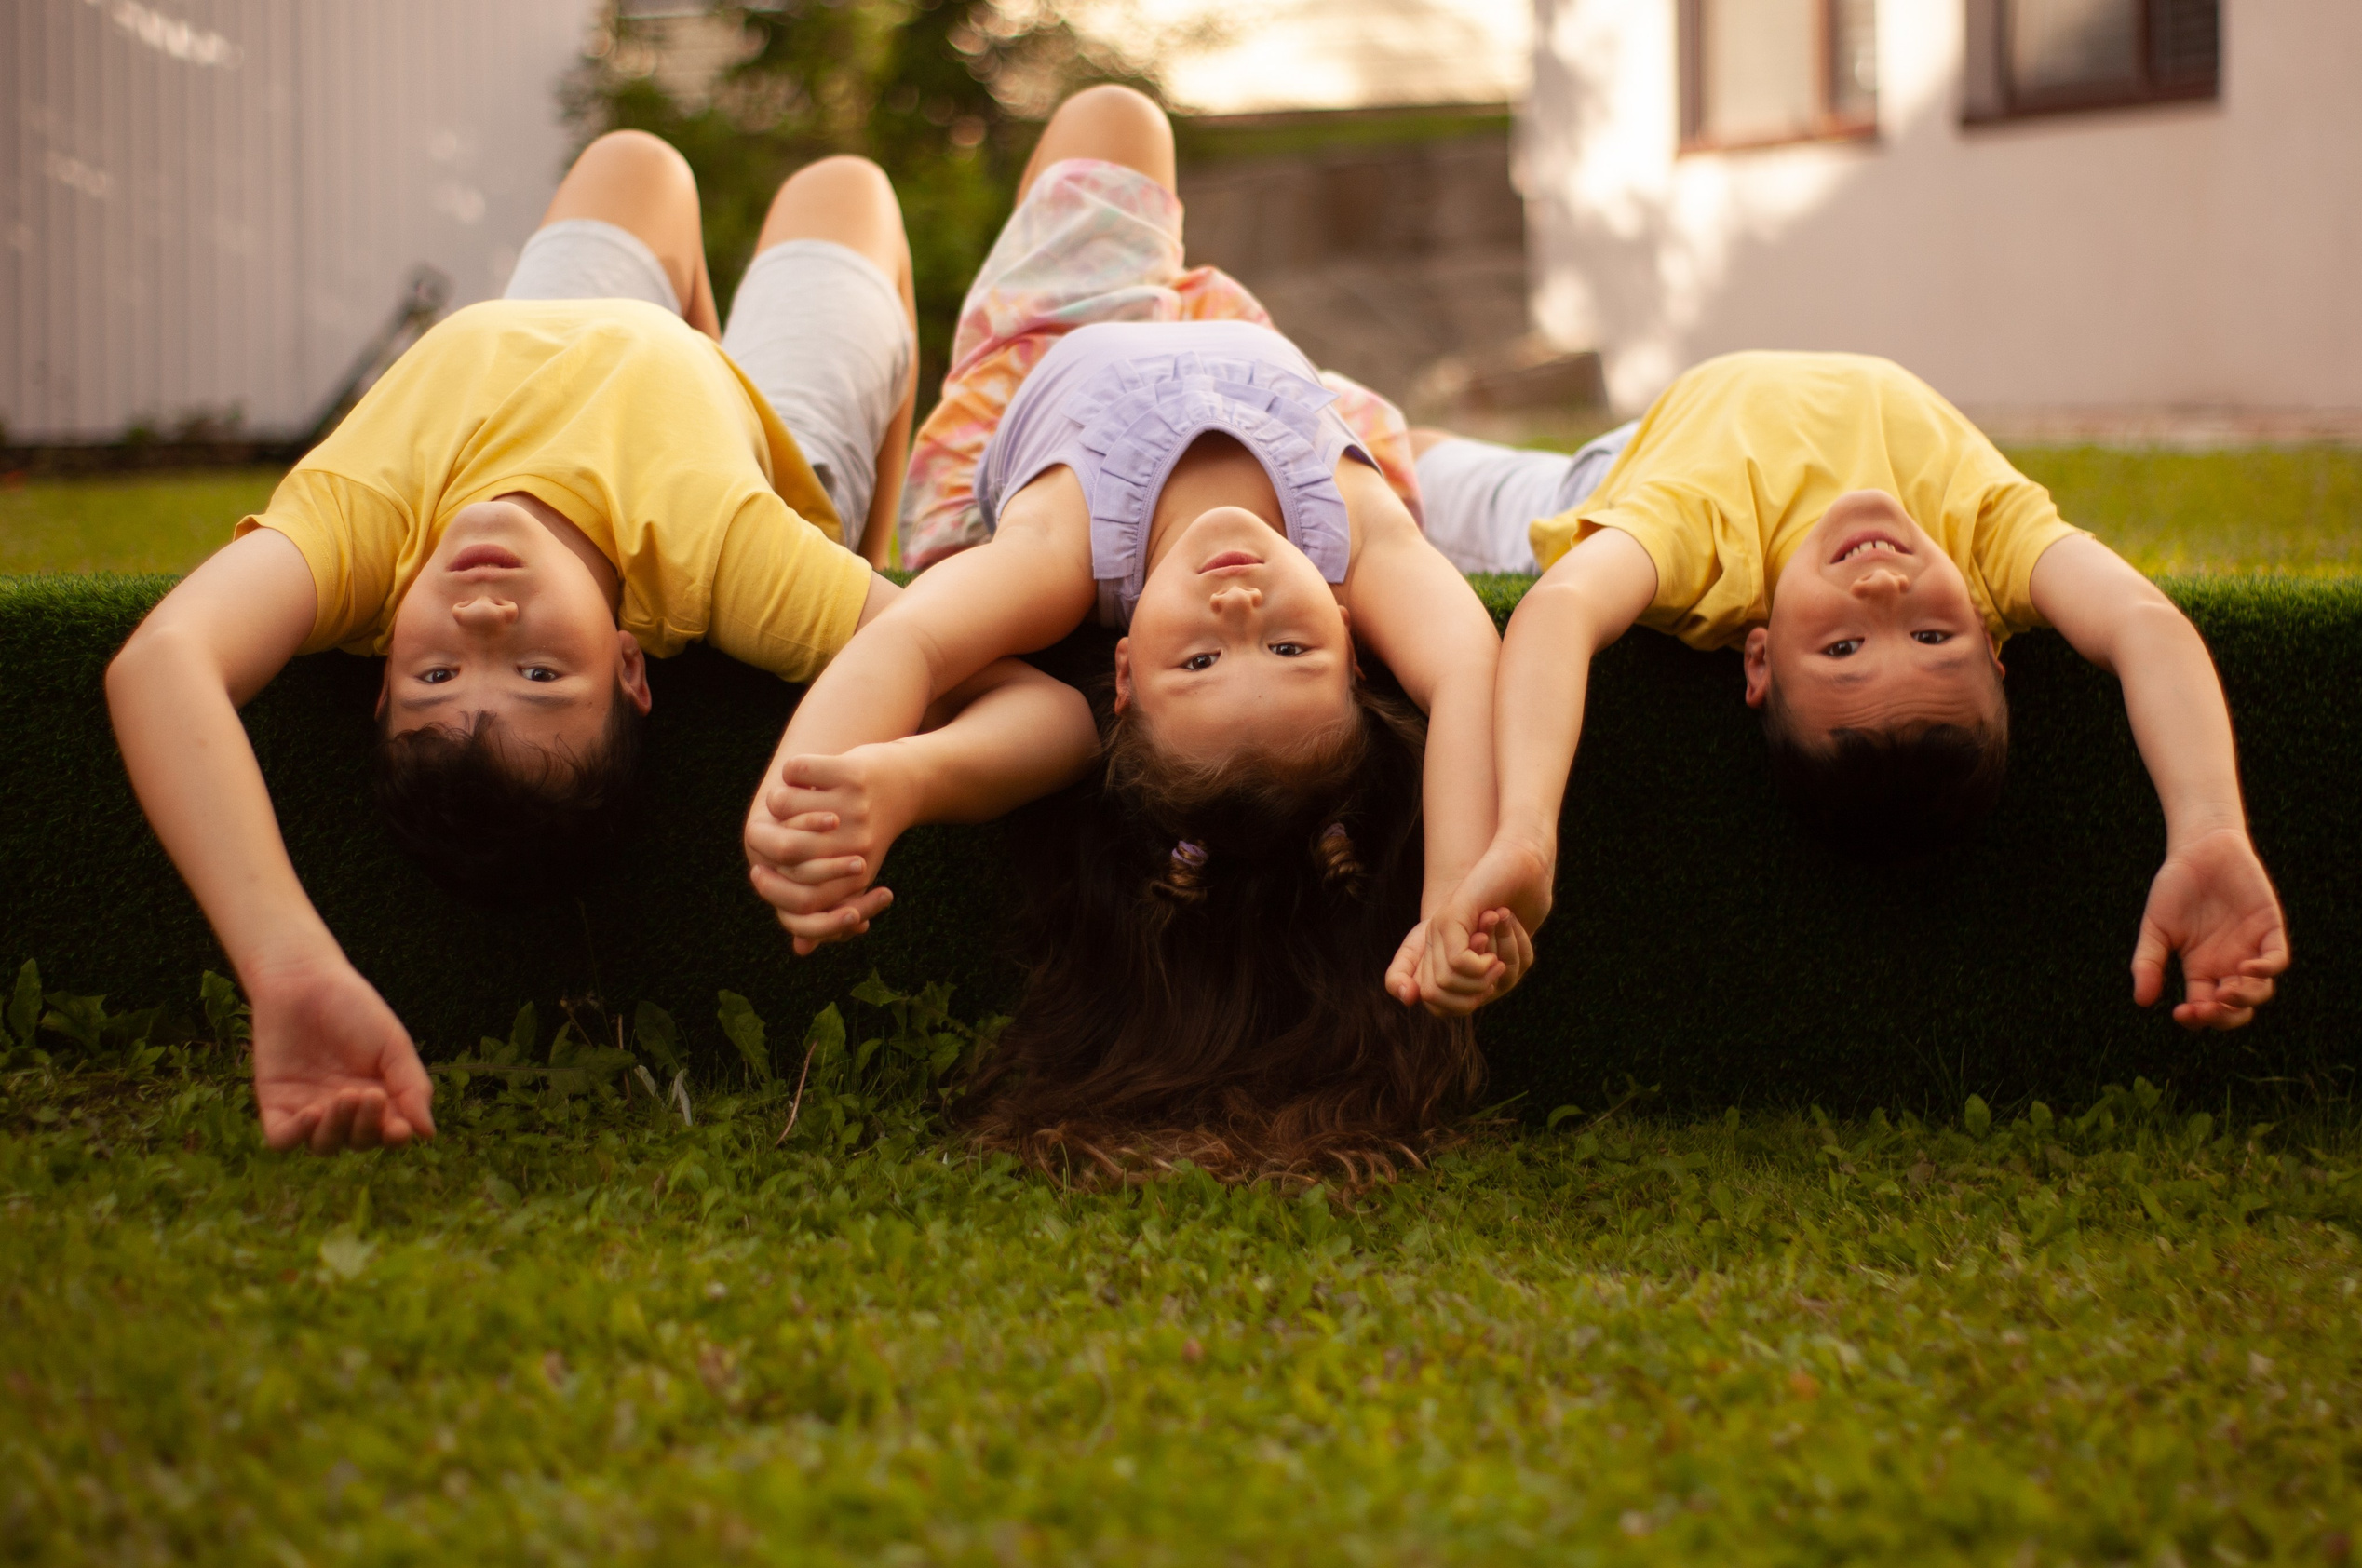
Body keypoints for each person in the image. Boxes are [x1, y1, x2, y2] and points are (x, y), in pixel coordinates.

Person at [106, 132, 1093, 1155]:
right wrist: (908, 778)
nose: (485, 622)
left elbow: (161, 663)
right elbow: (1054, 714)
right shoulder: (721, 552)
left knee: (639, 161)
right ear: (631, 662)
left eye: (435, 673)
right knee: (846, 188)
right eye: (542, 673)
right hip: (764, 449)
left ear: (381, 672)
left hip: (536, 338)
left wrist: (288, 966)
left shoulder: (363, 534)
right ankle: (852, 532)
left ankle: (719, 384)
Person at [741, 87, 1521, 1175]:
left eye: (1197, 661)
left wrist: (815, 784)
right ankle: (1423, 435)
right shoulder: (1355, 534)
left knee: (1111, 117)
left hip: (1057, 349)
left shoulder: (1062, 552)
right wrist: (1455, 890)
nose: (1241, 609)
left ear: (1119, 671)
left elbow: (908, 644)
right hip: (1259, 366)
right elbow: (1471, 671)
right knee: (1141, 130)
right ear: (1353, 632)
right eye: (1292, 652)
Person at [1398, 350, 2290, 1027]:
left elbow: (1558, 610)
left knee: (1414, 469)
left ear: (1757, 659)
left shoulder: (1703, 531)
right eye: (1936, 637)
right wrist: (2210, 823)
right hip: (1655, 437)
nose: (1884, 593)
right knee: (1426, 455)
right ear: (1991, 634)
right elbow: (2141, 620)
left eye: (1841, 646)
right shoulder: (1986, 536)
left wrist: (1530, 832)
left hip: (1618, 485)